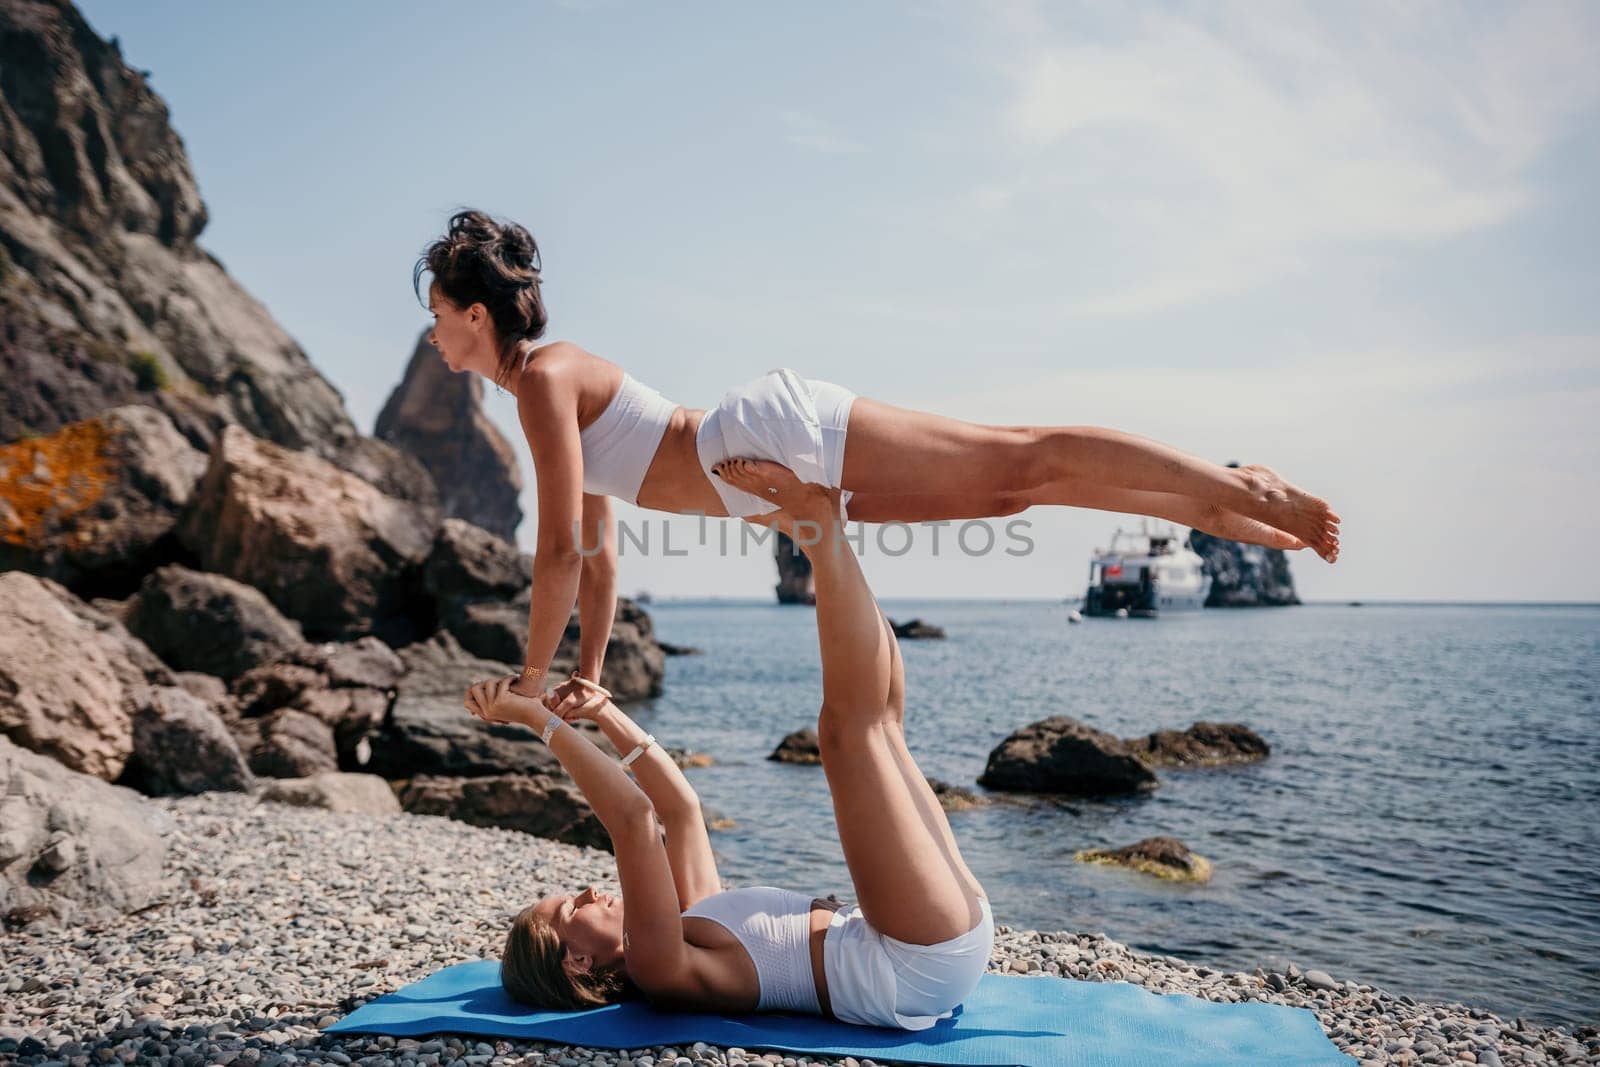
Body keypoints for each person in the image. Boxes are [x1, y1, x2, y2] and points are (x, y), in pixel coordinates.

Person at [422, 210, 1340, 703]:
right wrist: (584, 676)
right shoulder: (540, 391)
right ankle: (1204, 512)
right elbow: (596, 544)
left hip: (760, 442)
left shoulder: (543, 379)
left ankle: (1236, 483)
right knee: (1005, 500)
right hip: (761, 488)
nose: (432, 336)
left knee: (1017, 453)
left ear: (475, 312)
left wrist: (533, 681)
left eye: (436, 315)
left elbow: (554, 554)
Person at [465, 459, 993, 1029]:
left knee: (882, 727)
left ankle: (822, 527)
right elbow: (634, 820)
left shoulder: (687, 922)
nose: (591, 889)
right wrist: (538, 722)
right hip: (912, 961)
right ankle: (818, 524)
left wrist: (606, 713)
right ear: (578, 964)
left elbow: (679, 810)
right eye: (572, 907)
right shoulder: (658, 968)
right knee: (848, 735)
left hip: (921, 938)